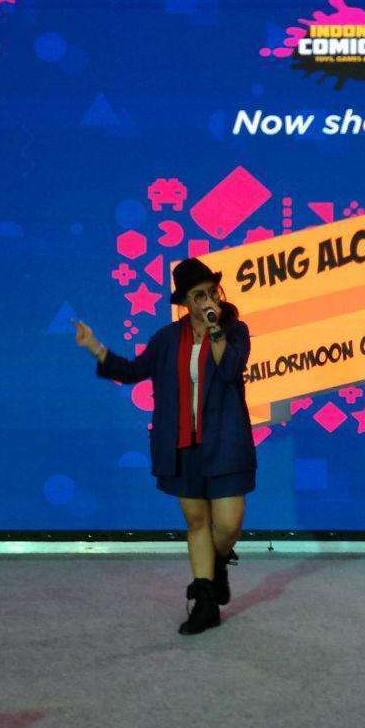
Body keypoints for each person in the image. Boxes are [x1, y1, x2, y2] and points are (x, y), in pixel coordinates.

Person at [74, 257, 256, 635]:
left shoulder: (235, 330)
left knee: (228, 524)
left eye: (211, 292)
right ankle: (205, 603)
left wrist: (215, 328)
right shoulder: (167, 338)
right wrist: (95, 348)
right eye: (198, 295)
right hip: (181, 444)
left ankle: (218, 564)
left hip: (226, 442)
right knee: (197, 522)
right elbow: (132, 371)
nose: (207, 300)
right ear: (185, 301)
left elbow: (229, 370)